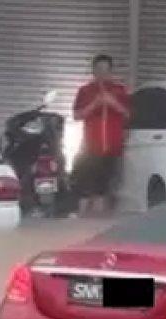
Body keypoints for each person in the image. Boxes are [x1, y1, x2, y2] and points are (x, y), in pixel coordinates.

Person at [72, 54, 130, 217]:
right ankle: (81, 222)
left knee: (103, 190)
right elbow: (77, 115)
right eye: (98, 70)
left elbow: (129, 114)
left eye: (106, 70)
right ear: (93, 71)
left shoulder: (120, 91)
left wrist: (114, 103)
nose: (102, 74)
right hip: (90, 148)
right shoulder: (85, 91)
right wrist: (95, 104)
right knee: (85, 189)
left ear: (111, 71)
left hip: (112, 149)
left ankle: (98, 225)